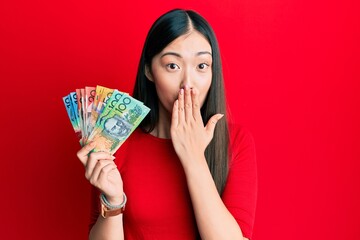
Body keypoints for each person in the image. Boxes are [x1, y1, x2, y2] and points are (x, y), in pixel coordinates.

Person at [76, 9, 257, 240]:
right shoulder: (115, 137)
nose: (188, 83)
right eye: (173, 66)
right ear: (149, 70)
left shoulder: (237, 142)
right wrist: (113, 201)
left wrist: (193, 157)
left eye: (201, 66)